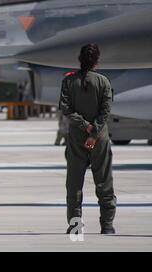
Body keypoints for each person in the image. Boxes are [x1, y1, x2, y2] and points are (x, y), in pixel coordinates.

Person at [59, 44, 117, 235]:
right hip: (99, 139)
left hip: (77, 138)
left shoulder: (69, 82)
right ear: (96, 60)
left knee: (74, 183)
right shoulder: (104, 82)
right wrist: (94, 132)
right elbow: (105, 110)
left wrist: (84, 126)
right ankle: (107, 225)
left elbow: (65, 108)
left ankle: (75, 226)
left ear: (80, 59)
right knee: (104, 182)